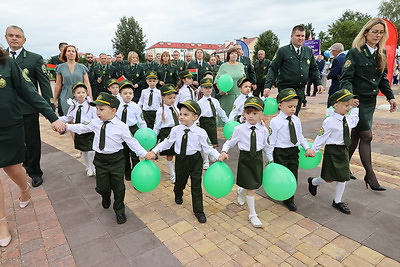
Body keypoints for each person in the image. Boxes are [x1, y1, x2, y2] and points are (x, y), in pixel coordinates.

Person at [0, 49, 65, 247]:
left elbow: (29, 91)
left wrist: (52, 116)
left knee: (12, 168)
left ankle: (24, 188)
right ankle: (2, 223)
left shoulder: (6, 63)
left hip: (9, 126)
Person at [64, 92, 148, 224]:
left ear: (113, 110)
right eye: (97, 109)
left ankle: (119, 210)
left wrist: (144, 153)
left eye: (101, 109)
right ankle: (105, 196)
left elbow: (132, 143)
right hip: (100, 160)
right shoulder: (95, 123)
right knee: (102, 187)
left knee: (119, 187)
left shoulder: (122, 127)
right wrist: (66, 126)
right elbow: (81, 127)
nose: (98, 112)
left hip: (116, 160)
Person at [340, 18, 398, 190]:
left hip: (370, 102)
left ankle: (342, 167)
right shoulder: (355, 53)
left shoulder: (380, 55)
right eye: (374, 31)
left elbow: (383, 80)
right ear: (366, 32)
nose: (377, 35)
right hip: (357, 102)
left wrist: (391, 97)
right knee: (367, 136)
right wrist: (349, 97)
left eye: (381, 32)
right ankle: (370, 175)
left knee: (357, 136)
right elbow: (346, 78)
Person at [147, 100, 221, 223]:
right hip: (181, 159)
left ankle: (199, 211)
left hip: (195, 160)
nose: (181, 117)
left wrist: (218, 156)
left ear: (195, 117)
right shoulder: (176, 130)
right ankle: (178, 193)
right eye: (180, 114)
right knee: (180, 181)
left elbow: (207, 148)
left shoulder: (201, 132)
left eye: (186, 115)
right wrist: (154, 151)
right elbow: (167, 142)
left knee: (196, 185)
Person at [5, 25, 56, 187]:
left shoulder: (34, 59)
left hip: (28, 109)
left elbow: (45, 84)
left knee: (32, 142)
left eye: (18, 36)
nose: (14, 38)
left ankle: (34, 171)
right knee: (15, 143)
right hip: (7, 111)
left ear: (24, 40)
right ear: (6, 37)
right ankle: (21, 168)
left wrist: (50, 107)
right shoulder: (2, 58)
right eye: (11, 35)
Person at [219, 97, 273, 228]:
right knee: (252, 188)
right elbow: (229, 142)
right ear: (244, 113)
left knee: (254, 184)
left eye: (255, 113)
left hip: (258, 159)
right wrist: (224, 151)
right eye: (248, 113)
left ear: (261, 114)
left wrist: (270, 160)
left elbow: (267, 146)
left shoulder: (264, 130)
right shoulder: (239, 129)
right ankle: (253, 215)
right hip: (246, 159)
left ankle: (241, 190)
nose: (251, 116)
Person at [307, 89, 359, 214]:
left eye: (350, 105)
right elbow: (321, 137)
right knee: (328, 178)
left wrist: (356, 109)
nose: (349, 108)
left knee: (343, 177)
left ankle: (337, 201)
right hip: (332, 151)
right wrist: (314, 150)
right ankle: (313, 182)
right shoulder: (329, 121)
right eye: (346, 105)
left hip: (343, 150)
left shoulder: (348, 119)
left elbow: (355, 121)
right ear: (336, 105)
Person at [264, 25, 324, 115]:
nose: (301, 38)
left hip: (300, 90)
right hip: (286, 89)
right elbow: (273, 68)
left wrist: (318, 83)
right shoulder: (283, 51)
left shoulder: (308, 51)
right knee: (286, 116)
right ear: (291, 36)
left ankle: (293, 129)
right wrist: (268, 85)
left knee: (295, 116)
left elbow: (313, 68)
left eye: (303, 36)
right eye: (298, 36)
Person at [268, 89, 312, 211]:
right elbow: (271, 141)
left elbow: (300, 136)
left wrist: (307, 148)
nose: (293, 109)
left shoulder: (296, 120)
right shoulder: (275, 122)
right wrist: (270, 159)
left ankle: (289, 198)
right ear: (280, 105)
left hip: (293, 151)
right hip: (280, 152)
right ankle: (276, 190)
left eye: (295, 106)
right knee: (281, 175)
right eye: (290, 106)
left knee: (293, 175)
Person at [59, 82, 97, 176]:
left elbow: (95, 119)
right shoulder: (73, 106)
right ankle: (88, 167)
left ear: (86, 93)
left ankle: (94, 167)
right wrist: (56, 119)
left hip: (89, 131)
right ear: (74, 94)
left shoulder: (91, 106)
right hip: (79, 131)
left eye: (83, 92)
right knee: (84, 150)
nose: (81, 94)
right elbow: (68, 117)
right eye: (78, 92)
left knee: (92, 151)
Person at [116, 81, 147, 181]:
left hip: (133, 130)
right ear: (120, 94)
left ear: (133, 94)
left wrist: (144, 131)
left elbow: (141, 121)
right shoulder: (117, 106)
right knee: (124, 153)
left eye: (130, 93)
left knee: (134, 153)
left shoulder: (136, 107)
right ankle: (127, 172)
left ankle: (136, 173)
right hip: (121, 130)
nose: (128, 95)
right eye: (125, 93)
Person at [197, 78, 229, 169]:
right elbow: (197, 114)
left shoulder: (215, 101)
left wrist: (226, 121)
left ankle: (212, 154)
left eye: (210, 87)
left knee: (213, 141)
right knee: (205, 142)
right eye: (205, 88)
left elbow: (220, 111)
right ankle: (206, 160)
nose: (208, 90)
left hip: (212, 121)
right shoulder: (199, 103)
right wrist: (195, 122)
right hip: (204, 122)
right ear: (202, 89)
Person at [54, 45, 93, 116]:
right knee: (67, 116)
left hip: (80, 94)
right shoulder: (60, 67)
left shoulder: (82, 67)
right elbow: (58, 84)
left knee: (81, 116)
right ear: (65, 54)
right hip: (66, 94)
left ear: (76, 54)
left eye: (73, 51)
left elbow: (87, 84)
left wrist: (90, 98)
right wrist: (55, 99)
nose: (71, 53)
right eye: (68, 51)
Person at [153, 84, 180, 183]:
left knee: (179, 153)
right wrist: (153, 138)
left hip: (177, 131)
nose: (172, 100)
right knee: (170, 155)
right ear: (163, 98)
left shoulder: (176, 108)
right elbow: (157, 126)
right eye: (169, 98)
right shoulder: (160, 111)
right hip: (167, 133)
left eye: (174, 97)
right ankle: (172, 173)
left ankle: (178, 171)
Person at [215, 47, 246, 120]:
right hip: (227, 96)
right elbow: (217, 80)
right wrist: (220, 89)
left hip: (239, 95)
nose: (234, 55)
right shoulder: (224, 66)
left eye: (235, 53)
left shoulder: (241, 65)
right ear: (228, 55)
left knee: (239, 118)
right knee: (227, 119)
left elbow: (244, 79)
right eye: (232, 53)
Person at [326, 43, 345, 107]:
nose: (332, 53)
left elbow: (334, 73)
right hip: (345, 85)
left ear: (336, 51)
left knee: (332, 105)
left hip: (337, 85)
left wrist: (328, 76)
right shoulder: (347, 57)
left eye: (332, 51)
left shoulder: (337, 59)